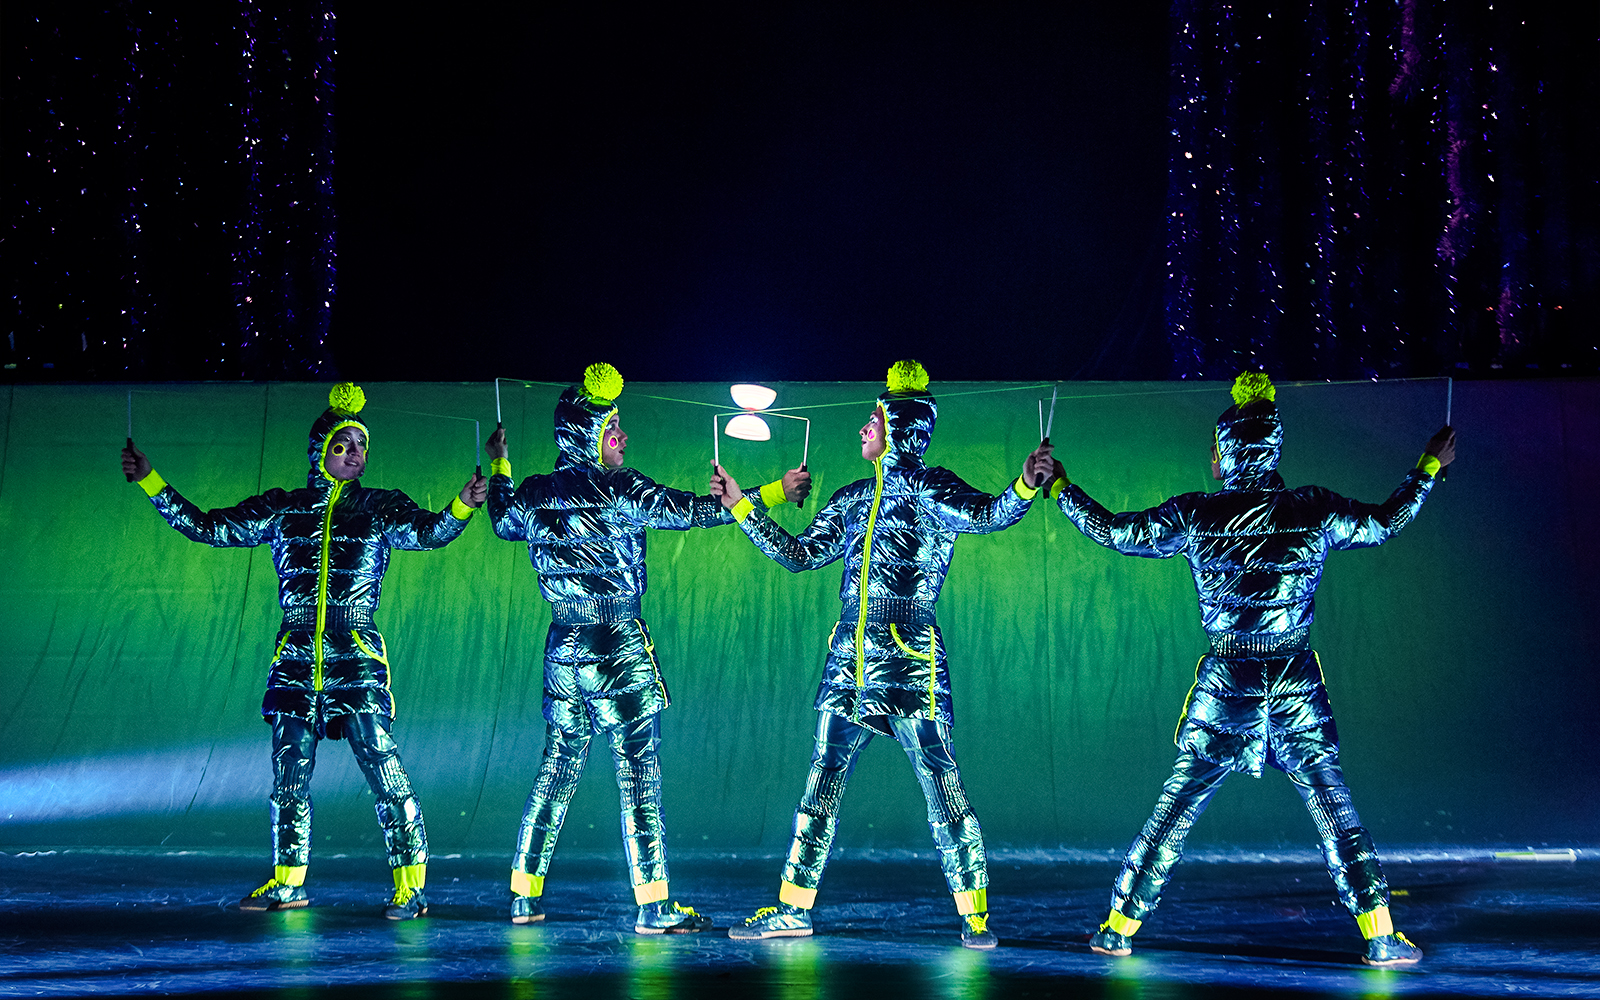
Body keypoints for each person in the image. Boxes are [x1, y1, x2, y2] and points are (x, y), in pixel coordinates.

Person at [1040, 372, 1455, 966]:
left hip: (1228, 682)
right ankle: (1382, 932)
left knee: (1178, 806)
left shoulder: (1199, 514)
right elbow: (1386, 522)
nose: (1210, 456)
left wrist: (1060, 486)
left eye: (1214, 446)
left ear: (1227, 452)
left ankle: (1117, 927)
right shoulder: (1313, 508)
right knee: (1331, 806)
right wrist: (1428, 467)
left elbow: (1116, 531)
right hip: (1294, 683)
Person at [710, 360, 1053, 950]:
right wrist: (744, 504)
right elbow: (798, 555)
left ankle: (975, 915)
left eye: (874, 420)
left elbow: (990, 516)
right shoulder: (848, 498)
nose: (864, 429)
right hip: (849, 661)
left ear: (900, 425)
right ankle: (793, 908)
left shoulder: (933, 489)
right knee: (821, 783)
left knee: (942, 783)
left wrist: (1024, 483)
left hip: (912, 658)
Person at [121, 383, 486, 919]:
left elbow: (430, 533)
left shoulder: (381, 508)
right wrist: (151, 480)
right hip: (295, 657)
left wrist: (463, 503)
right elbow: (206, 526)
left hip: (354, 652)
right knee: (289, 773)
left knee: (383, 765)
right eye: (344, 446)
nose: (355, 455)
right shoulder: (283, 509)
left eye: (361, 447)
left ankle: (411, 883)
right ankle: (287, 881)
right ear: (321, 452)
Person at [485, 363, 810, 934]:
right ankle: (653, 904)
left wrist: (502, 465)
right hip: (616, 643)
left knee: (556, 768)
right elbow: (691, 511)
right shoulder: (622, 488)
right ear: (588, 436)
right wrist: (771, 494)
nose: (623, 437)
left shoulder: (534, 492)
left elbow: (502, 519)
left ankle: (523, 894)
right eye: (613, 428)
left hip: (561, 647)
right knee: (638, 773)